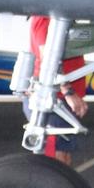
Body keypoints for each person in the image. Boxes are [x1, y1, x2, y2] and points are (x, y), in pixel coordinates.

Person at [28, 14, 86, 166]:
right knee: (55, 158)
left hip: (60, 99)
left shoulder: (61, 18)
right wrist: (67, 91)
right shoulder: (43, 19)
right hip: (53, 100)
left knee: (63, 157)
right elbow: (48, 57)